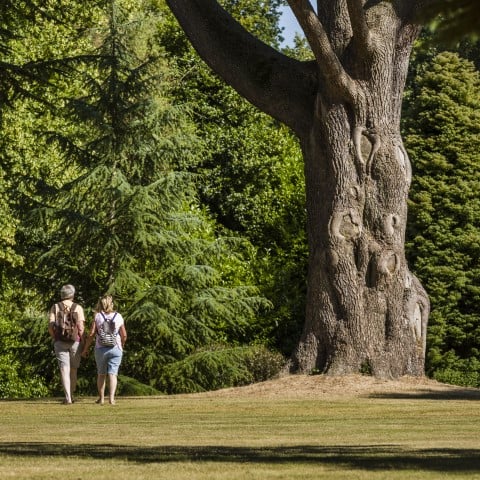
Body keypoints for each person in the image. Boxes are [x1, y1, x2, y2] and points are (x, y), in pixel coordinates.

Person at [81, 295, 127, 405]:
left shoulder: (98, 316)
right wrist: (122, 344)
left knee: (101, 374)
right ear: (112, 304)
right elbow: (124, 335)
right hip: (116, 348)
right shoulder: (118, 316)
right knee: (113, 374)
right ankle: (111, 399)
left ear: (100, 304)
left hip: (100, 349)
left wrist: (85, 348)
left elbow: (92, 334)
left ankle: (101, 399)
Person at [48, 284, 85, 404]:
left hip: (60, 341)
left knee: (64, 369)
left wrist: (55, 337)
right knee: (73, 369)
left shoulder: (55, 307)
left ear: (62, 294)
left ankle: (67, 397)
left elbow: (50, 325)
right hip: (75, 341)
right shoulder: (78, 307)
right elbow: (81, 327)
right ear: (72, 295)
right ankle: (72, 395)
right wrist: (83, 341)